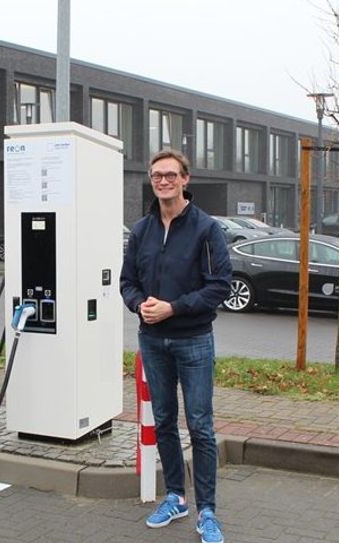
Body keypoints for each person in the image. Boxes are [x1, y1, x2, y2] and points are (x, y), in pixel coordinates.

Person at [120, 149, 231, 543]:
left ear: (186, 179)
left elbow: (220, 286)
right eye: (157, 175)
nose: (163, 181)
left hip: (194, 340)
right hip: (152, 340)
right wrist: (139, 304)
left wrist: (174, 308)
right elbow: (127, 282)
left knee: (200, 426)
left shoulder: (206, 229)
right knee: (164, 421)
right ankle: (175, 497)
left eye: (170, 175)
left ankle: (208, 512)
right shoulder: (141, 230)